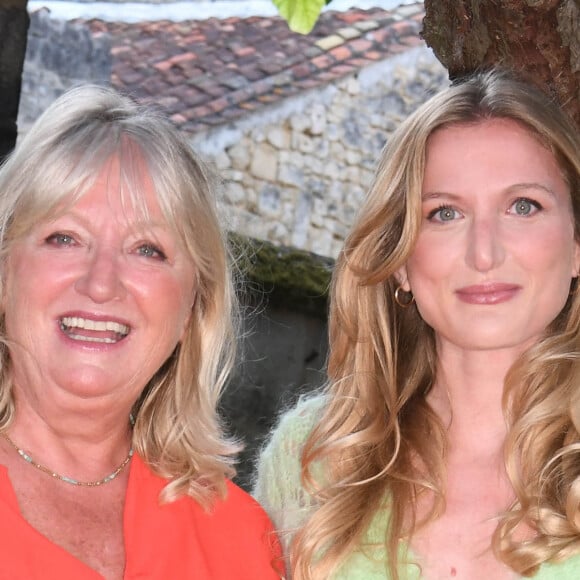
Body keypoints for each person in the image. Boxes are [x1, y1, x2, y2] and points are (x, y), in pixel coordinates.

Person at [253, 67, 580, 579]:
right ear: (401, 260)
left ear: (576, 244)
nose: (484, 253)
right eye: (444, 214)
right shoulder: (311, 455)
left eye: (523, 206)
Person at [0, 84, 282, 579]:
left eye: (147, 250)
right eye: (63, 238)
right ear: (5, 277)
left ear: (194, 304)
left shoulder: (242, 540)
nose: (101, 283)